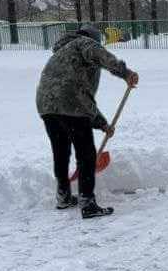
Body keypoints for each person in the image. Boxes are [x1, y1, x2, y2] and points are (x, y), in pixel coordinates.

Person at [36, 24, 139, 219]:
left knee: (61, 151)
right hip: (69, 104)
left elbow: (81, 97)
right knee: (86, 154)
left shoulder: (61, 53)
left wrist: (102, 124)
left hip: (46, 105)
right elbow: (77, 96)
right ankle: (87, 202)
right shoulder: (85, 44)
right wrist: (125, 73)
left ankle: (63, 196)